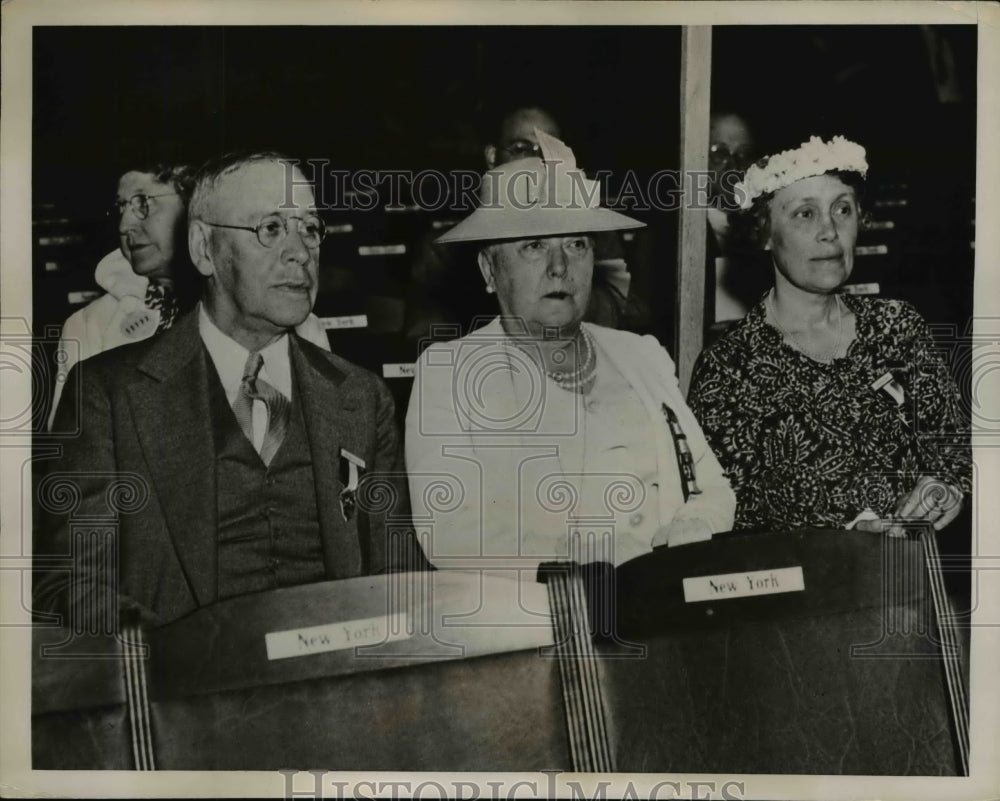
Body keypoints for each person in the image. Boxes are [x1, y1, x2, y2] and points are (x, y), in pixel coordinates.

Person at [36, 151, 425, 628]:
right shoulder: (108, 396)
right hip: (185, 687)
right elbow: (75, 581)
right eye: (271, 228)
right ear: (204, 248)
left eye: (310, 228)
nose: (300, 252)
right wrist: (170, 664)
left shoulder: (363, 398)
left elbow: (401, 576)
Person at [405, 130, 735, 572]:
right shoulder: (448, 373)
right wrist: (590, 573)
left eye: (576, 244)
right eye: (534, 245)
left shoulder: (641, 354)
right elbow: (452, 536)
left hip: (665, 604)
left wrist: (688, 534)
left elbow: (712, 486)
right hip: (546, 619)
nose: (560, 266)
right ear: (489, 268)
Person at [687, 136, 970, 534]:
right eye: (805, 214)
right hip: (804, 590)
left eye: (842, 209)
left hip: (913, 578)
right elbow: (727, 520)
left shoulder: (898, 327)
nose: (830, 231)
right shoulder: (729, 368)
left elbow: (953, 450)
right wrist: (846, 541)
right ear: (764, 233)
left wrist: (943, 487)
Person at [48, 161, 331, 429]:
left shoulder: (296, 323)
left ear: (193, 210)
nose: (125, 226)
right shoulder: (90, 326)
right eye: (121, 207)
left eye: (143, 204)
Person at [403, 103, 646, 341]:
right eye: (521, 148)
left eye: (551, 149)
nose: (538, 161)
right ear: (491, 156)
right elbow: (424, 336)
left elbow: (627, 315)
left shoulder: (597, 234)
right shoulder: (445, 250)